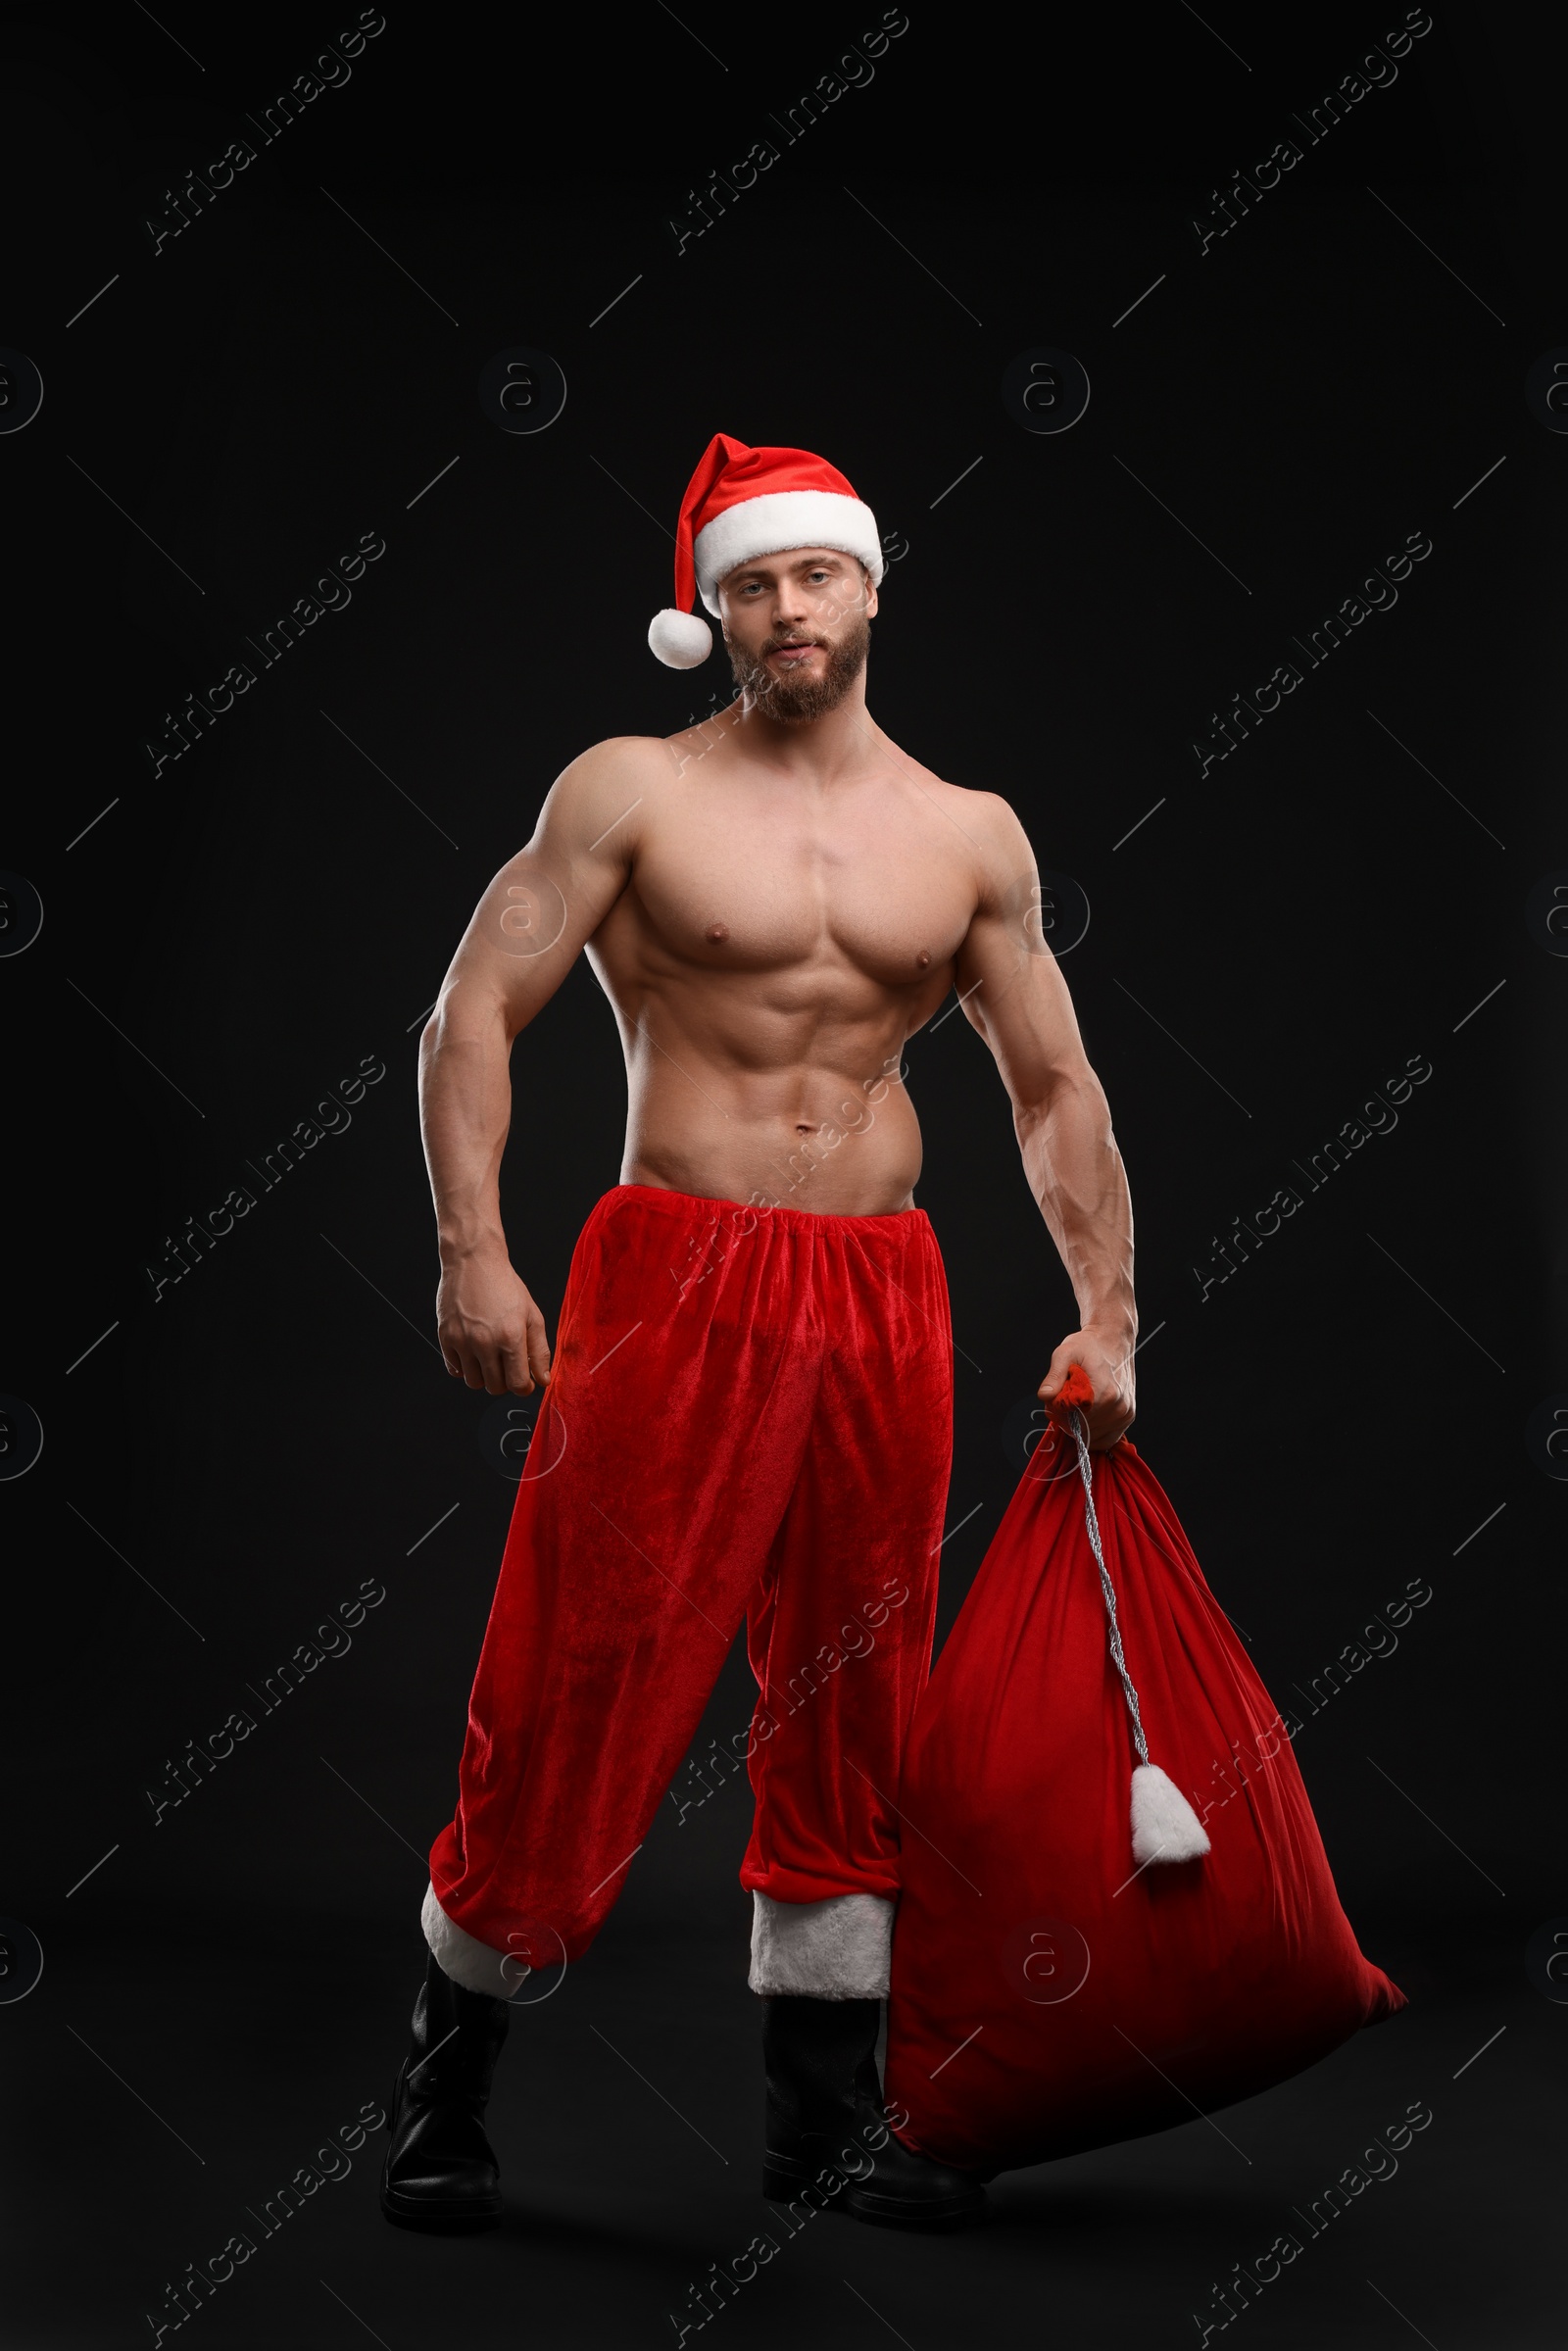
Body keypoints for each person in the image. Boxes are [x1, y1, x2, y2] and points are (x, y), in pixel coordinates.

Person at [379, 434, 1137, 2234]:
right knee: (581, 1664)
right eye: (751, 583)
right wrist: (472, 1252)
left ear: (872, 584)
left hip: (883, 1289)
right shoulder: (632, 790)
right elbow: (471, 1011)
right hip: (678, 1274)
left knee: (860, 1687)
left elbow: (1053, 1085)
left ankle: (827, 2122)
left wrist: (1110, 1310)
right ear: (705, 606)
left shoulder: (970, 835)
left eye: (815, 575)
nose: (786, 610)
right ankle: (447, 2080)